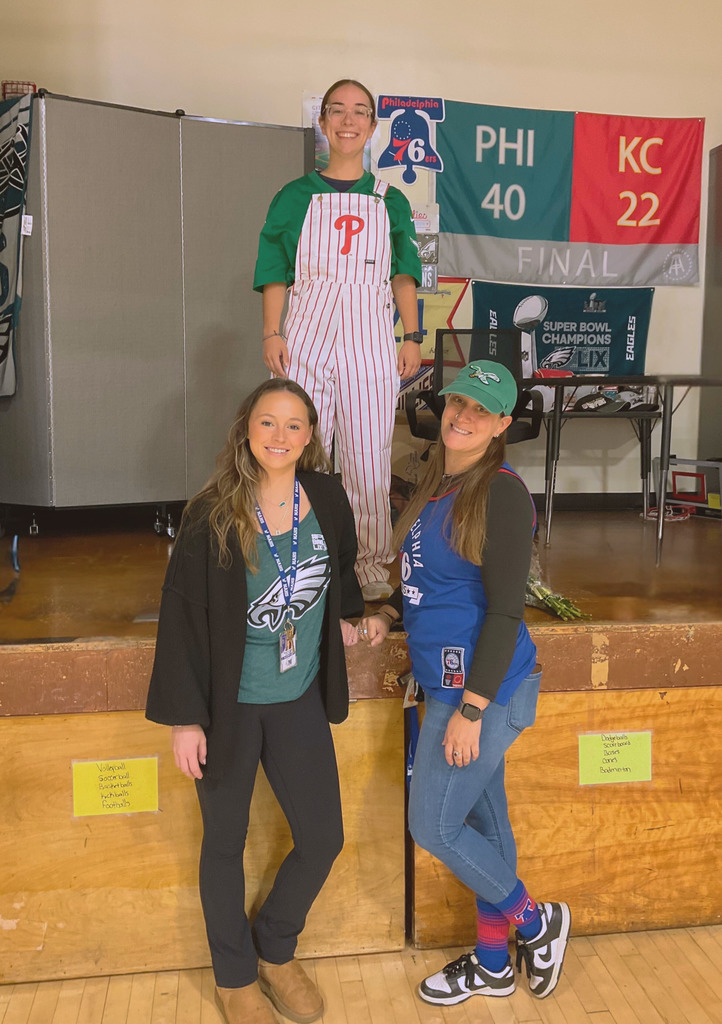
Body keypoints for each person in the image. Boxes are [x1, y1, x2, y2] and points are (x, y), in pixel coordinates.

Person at [146, 378, 364, 1024]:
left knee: (323, 837)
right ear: (247, 429)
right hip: (228, 705)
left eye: (294, 425)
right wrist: (186, 718)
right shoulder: (211, 511)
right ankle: (235, 977)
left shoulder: (325, 496)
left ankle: (274, 946)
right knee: (225, 841)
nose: (280, 436)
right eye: (268, 422)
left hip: (297, 696)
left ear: (310, 436)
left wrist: (353, 617)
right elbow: (179, 619)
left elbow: (342, 567)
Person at [358, 360, 571, 1006]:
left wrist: (472, 710)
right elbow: (427, 581)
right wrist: (388, 612)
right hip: (445, 683)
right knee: (484, 820)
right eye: (457, 403)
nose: (463, 416)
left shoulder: (500, 492)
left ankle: (537, 922)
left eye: (481, 410)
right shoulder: (437, 486)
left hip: (484, 691)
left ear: (503, 423)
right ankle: (490, 962)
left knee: (436, 826)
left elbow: (506, 610)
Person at [253, 78, 423, 603]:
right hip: (306, 327)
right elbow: (276, 268)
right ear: (323, 122)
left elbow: (403, 273)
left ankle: (370, 562)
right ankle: (297, 551)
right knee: (296, 445)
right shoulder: (294, 195)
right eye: (337, 111)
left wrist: (412, 335)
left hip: (369, 332)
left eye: (359, 112)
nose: (348, 121)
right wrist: (271, 330)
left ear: (372, 127)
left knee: (369, 451)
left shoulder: (390, 199)